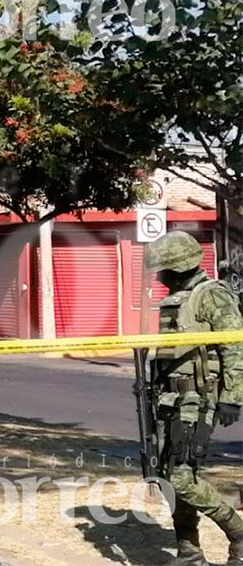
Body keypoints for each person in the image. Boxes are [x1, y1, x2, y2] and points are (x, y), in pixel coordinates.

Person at [144, 231, 243, 566]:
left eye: (163, 269)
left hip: (197, 399)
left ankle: (238, 534)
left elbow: (235, 347)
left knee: (182, 478)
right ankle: (189, 552)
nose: (159, 277)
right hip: (169, 399)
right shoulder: (177, 297)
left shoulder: (211, 295)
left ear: (179, 266)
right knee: (168, 475)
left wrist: (233, 396)